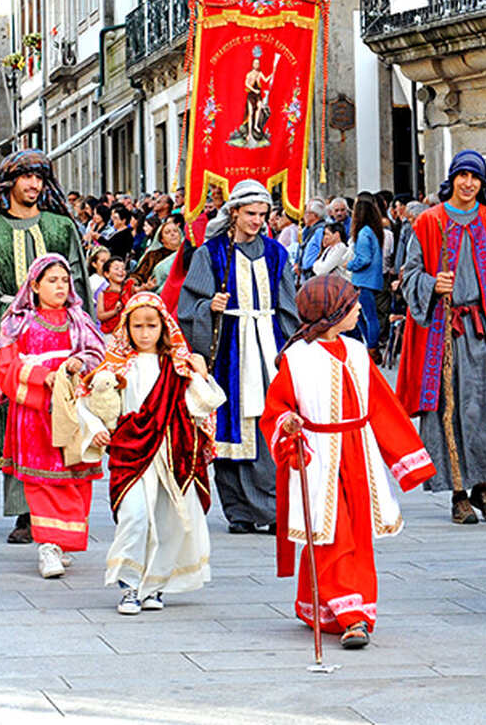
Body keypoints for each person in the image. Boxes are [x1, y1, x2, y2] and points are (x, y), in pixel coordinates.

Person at [261, 276, 436, 648]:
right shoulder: (295, 358)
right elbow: (276, 408)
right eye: (352, 304)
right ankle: (353, 618)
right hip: (318, 456)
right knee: (330, 533)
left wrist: (407, 460)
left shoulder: (357, 352)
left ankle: (321, 607)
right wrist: (287, 423)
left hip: (358, 454)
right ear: (332, 313)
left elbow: (383, 408)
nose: (359, 308)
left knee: (356, 534)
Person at [0, 150, 93, 545]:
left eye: (39, 178)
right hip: (9, 334)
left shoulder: (60, 227)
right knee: (15, 420)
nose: (33, 185)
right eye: (26, 178)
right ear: (10, 183)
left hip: (58, 334)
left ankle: (58, 507)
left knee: (58, 417)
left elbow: (78, 284)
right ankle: (23, 511)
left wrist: (84, 335)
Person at [397, 150, 486, 525]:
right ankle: (457, 492)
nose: (468, 183)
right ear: (451, 179)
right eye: (462, 175)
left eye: (475, 177)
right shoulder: (428, 223)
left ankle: (484, 487)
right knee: (449, 411)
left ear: (483, 183)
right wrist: (432, 283)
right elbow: (409, 275)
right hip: (444, 331)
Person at [76, 293, 222, 615]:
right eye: (137, 326)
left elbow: (206, 402)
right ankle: (128, 586)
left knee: (169, 521)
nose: (144, 333)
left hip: (171, 454)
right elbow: (87, 400)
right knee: (134, 516)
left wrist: (200, 372)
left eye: (151, 326)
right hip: (131, 453)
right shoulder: (115, 365)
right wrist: (95, 427)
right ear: (126, 327)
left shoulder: (177, 366)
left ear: (163, 326)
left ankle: (154, 586)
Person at [178, 179, 298, 534]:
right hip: (228, 350)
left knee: (266, 426)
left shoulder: (277, 254)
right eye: (250, 214)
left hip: (266, 351)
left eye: (262, 214)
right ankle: (239, 512)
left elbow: (288, 306)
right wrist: (208, 306)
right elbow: (188, 307)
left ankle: (274, 507)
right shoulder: (210, 253)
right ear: (233, 213)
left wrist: (290, 349)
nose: (257, 221)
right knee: (228, 431)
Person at [0, 254, 106, 578]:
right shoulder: (18, 323)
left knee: (75, 478)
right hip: (35, 414)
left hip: (73, 411)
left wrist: (79, 364)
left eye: (64, 280)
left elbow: (98, 355)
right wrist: (43, 375)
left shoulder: (79, 320)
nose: (60, 286)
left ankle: (61, 541)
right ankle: (48, 546)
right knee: (43, 482)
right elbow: (6, 368)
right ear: (35, 285)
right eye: (52, 280)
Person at [347, 196, 385, 357]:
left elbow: (364, 258)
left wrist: (349, 265)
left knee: (368, 317)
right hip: (370, 280)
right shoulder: (373, 231)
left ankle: (371, 347)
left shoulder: (363, 233)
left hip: (364, 280)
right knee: (365, 316)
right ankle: (369, 344)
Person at [96, 257, 134, 336]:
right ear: (107, 274)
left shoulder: (129, 287)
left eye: (123, 268)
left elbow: (139, 290)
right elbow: (100, 316)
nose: (121, 270)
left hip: (129, 332)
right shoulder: (102, 294)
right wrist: (114, 311)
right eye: (116, 268)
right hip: (110, 334)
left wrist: (147, 287)